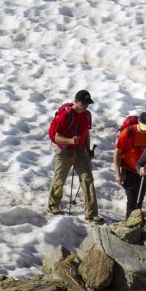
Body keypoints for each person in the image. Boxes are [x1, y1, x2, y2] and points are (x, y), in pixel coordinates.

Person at [47, 90, 102, 223]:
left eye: (87, 104)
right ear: (76, 101)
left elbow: (86, 133)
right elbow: (56, 137)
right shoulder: (66, 115)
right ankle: (53, 204)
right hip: (64, 151)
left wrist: (88, 150)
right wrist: (71, 141)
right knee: (59, 179)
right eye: (84, 103)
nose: (86, 106)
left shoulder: (87, 115)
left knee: (88, 180)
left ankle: (91, 213)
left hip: (80, 151)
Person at [114, 111, 146, 217]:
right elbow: (117, 153)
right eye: (144, 127)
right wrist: (118, 174)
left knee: (139, 200)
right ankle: (129, 226)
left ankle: (136, 224)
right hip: (129, 170)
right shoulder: (128, 132)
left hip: (145, 172)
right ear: (138, 122)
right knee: (132, 200)